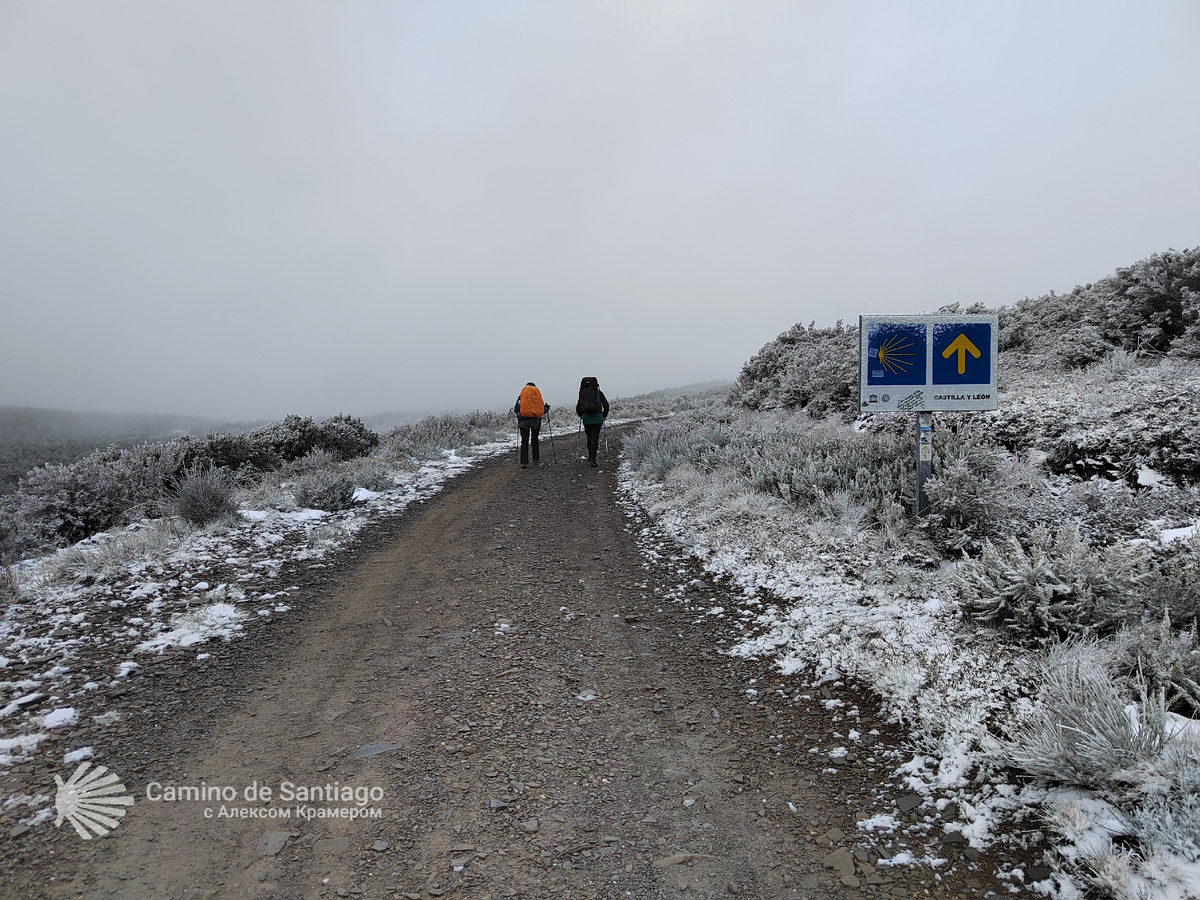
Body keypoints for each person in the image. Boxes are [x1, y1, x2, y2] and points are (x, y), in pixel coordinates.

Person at [574, 376, 609, 467]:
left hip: (587, 419)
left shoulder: (582, 393)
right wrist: (603, 415)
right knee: (595, 438)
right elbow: (606, 405)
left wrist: (582, 415)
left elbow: (578, 407)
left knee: (589, 437)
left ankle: (590, 457)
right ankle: (593, 460)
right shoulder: (598, 393)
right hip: (597, 418)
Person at [513, 382, 550, 467]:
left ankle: (524, 462)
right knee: (535, 439)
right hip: (535, 422)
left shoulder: (521, 396)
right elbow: (542, 410)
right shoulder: (536, 396)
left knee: (524, 441)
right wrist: (547, 408)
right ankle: (536, 460)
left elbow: (516, 409)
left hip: (523, 422)